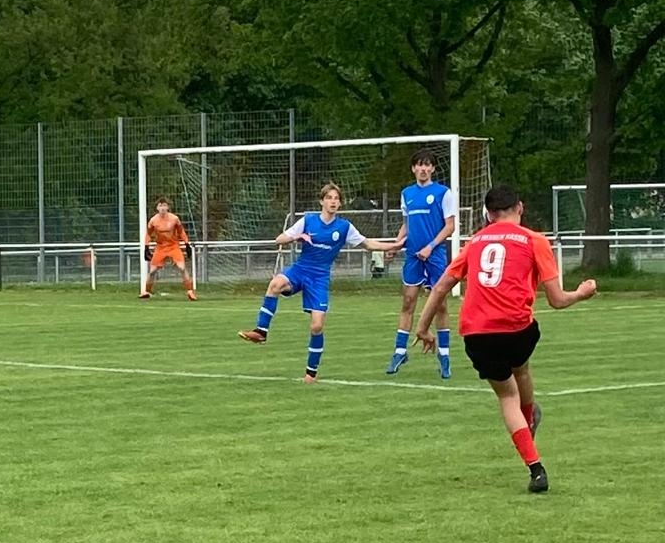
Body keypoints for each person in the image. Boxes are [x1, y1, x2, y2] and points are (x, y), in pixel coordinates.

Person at [415, 184, 597, 493]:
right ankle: (529, 419)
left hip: (477, 334)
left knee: (506, 396)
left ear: (488, 214)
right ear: (520, 207)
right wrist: (581, 293)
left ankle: (536, 469)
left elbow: (442, 287)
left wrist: (422, 328)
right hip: (517, 330)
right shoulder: (534, 240)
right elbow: (557, 300)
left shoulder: (474, 242)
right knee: (520, 367)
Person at [237, 182, 403, 382]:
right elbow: (279, 239)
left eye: (336, 199)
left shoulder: (344, 227)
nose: (333, 202)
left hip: (319, 278)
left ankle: (311, 374)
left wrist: (395, 245)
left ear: (340, 204)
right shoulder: (308, 221)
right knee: (275, 284)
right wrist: (298, 236)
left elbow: (368, 244)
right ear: (321, 201)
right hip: (300, 269)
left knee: (316, 326)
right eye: (329, 198)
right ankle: (261, 331)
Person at [386, 148, 458, 378]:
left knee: (441, 305)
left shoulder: (443, 193)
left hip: (435, 256)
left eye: (427, 165)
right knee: (408, 302)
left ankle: (444, 356)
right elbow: (407, 225)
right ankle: (400, 352)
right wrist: (395, 245)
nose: (423, 168)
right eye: (419, 164)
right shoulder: (407, 193)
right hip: (412, 256)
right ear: (413, 168)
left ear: (433, 169)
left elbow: (450, 226)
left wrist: (431, 246)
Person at [140, 197, 198, 301]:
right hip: (160, 247)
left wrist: (187, 244)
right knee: (152, 271)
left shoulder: (174, 219)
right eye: (160, 205)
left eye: (164, 205)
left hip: (173, 246)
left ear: (168, 207)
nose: (162, 208)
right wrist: (146, 247)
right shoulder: (153, 221)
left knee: (182, 268)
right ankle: (146, 292)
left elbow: (181, 232)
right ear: (157, 208)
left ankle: (190, 291)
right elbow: (148, 234)